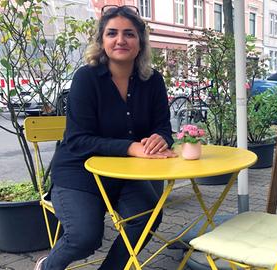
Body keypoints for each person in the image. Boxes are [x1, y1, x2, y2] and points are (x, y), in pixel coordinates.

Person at [34, 5, 177, 270]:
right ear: (101, 40)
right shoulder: (86, 78)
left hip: (126, 173)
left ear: (141, 42)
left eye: (129, 34)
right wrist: (132, 147)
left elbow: (164, 128)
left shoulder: (153, 80)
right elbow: (78, 140)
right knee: (84, 238)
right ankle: (46, 266)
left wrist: (161, 138)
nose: (120, 40)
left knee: (147, 217)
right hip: (79, 171)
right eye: (112, 33)